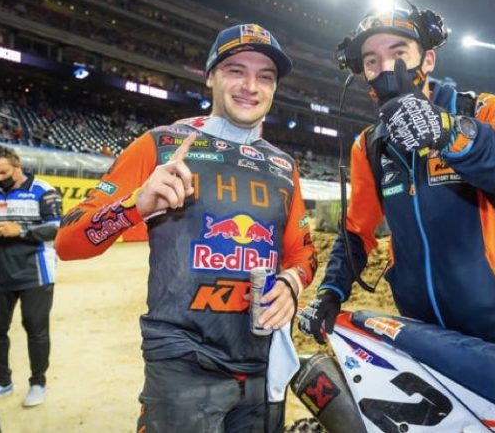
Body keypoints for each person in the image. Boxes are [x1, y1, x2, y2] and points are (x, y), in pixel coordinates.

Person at [55, 23, 316, 433]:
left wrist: (291, 283)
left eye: (265, 76)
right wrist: (135, 205)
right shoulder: (160, 144)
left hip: (261, 367)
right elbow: (67, 243)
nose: (251, 86)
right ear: (210, 76)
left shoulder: (284, 166)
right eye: (235, 70)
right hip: (181, 368)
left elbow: (303, 254)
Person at [300, 7, 495, 354]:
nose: (386, 69)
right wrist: (331, 291)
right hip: (423, 334)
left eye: (398, 53)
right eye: (371, 61)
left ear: (428, 60)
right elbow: (355, 233)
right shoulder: (370, 145)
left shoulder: (481, 111)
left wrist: (450, 132)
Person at [0, 144, 62, 406]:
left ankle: (38, 383)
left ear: (17, 165)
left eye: (4, 172)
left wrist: (20, 230)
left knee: (35, 329)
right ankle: (2, 382)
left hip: (35, 273)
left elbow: (57, 228)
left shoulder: (43, 190)